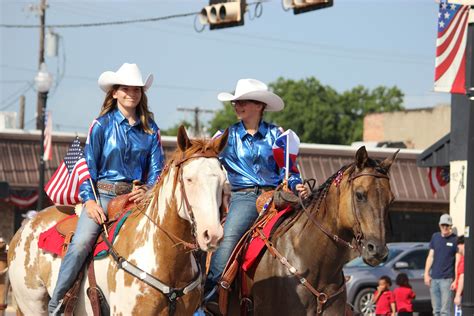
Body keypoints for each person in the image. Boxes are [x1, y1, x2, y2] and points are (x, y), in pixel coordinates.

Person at [48, 63, 164, 315]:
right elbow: (87, 167)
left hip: (136, 198)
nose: (131, 93)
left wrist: (149, 190)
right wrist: (89, 202)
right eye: (125, 88)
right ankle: (57, 303)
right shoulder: (101, 125)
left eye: (137, 89)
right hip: (103, 194)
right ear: (114, 93)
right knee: (80, 244)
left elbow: (158, 169)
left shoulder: (150, 129)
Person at [203, 78, 309, 306]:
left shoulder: (278, 135)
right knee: (227, 240)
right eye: (236, 102)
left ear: (260, 106)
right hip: (245, 198)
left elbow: (289, 171)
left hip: (277, 197)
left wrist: (296, 184)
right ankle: (208, 299)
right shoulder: (224, 137)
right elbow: (206, 163)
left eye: (245, 101)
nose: (238, 106)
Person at [424, 213, 458, 316]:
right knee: (436, 311)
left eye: (447, 225)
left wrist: (455, 279)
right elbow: (431, 256)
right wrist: (426, 273)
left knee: (445, 311)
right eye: (443, 225)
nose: (445, 227)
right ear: (439, 225)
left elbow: (457, 261)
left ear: (450, 226)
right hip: (434, 278)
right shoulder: (435, 237)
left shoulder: (455, 239)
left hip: (447, 279)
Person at [453, 235, 464, 315]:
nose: (457, 246)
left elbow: (462, 277)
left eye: (458, 244)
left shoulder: (465, 260)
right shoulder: (462, 258)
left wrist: (458, 295)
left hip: (462, 295)